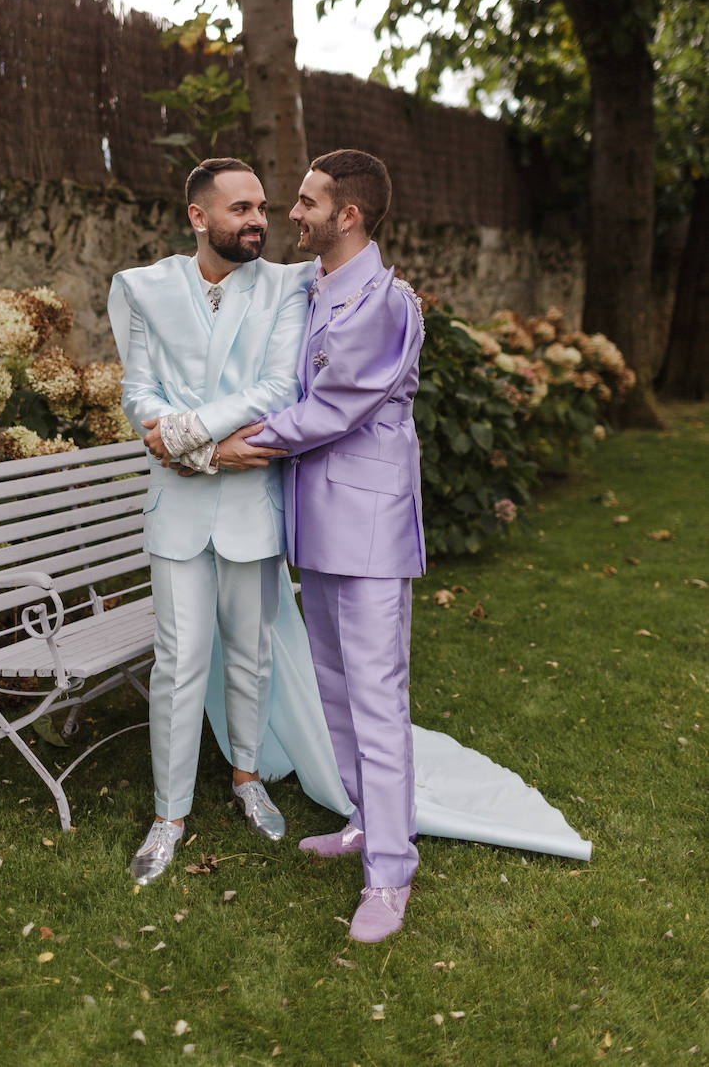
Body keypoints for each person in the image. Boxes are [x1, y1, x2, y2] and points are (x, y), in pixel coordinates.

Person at [218, 149, 426, 942]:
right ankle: (368, 822)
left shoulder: (384, 302)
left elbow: (333, 409)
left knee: (377, 699)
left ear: (350, 215)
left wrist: (233, 441)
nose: (290, 215)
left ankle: (391, 877)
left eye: (306, 203)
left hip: (370, 529)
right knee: (337, 689)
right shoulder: (312, 286)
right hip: (319, 525)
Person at [106, 157, 312, 885]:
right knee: (178, 661)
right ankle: (168, 816)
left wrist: (192, 439)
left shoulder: (289, 287)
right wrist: (206, 457)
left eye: (262, 206)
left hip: (252, 505)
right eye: (241, 208)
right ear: (198, 216)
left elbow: (278, 385)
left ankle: (247, 778)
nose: (259, 219)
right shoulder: (140, 288)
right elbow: (140, 395)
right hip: (180, 507)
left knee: (249, 655)